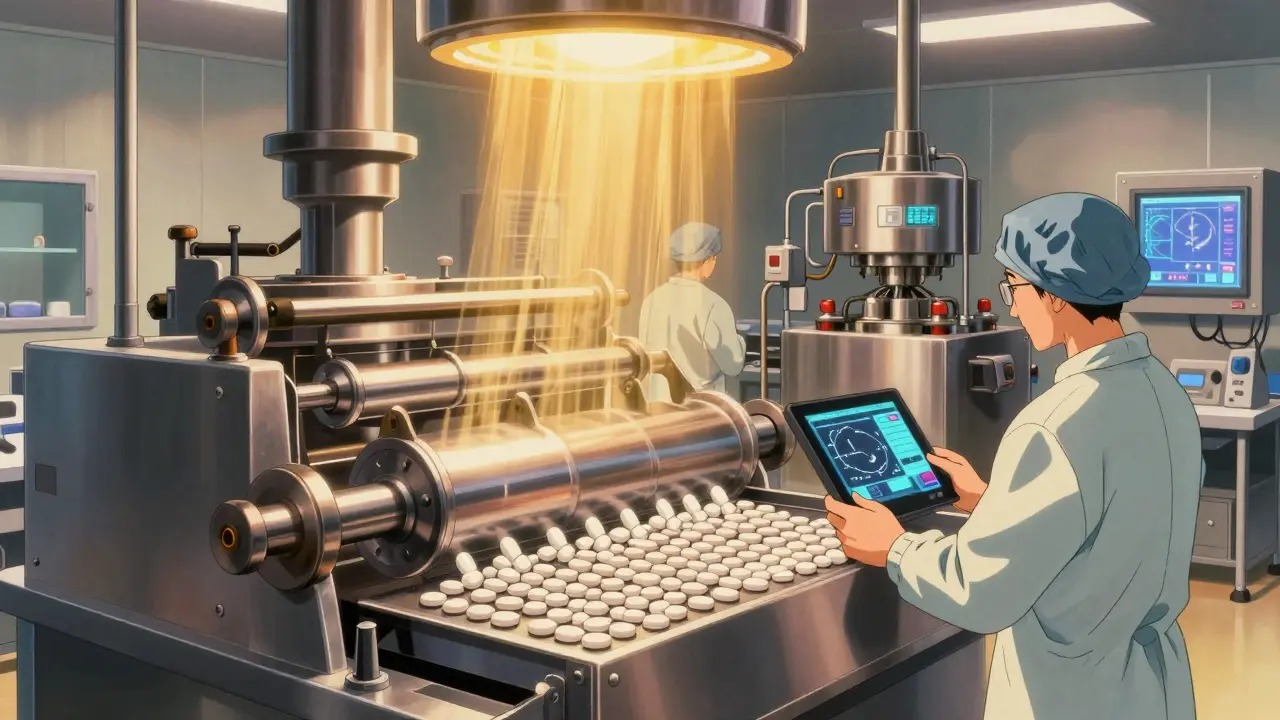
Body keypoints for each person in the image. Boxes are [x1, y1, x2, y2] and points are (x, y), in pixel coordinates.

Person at [824, 193, 1201, 720]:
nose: (1009, 305)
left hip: (1071, 693)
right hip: (1149, 687)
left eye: (1014, 287)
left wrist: (894, 547)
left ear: (1055, 295)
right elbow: (1110, 527)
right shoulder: (1160, 390)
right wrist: (994, 502)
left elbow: (980, 592)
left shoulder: (1057, 422)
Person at [639, 222, 746, 402]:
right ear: (707, 260)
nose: (715, 262)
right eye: (714, 258)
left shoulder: (652, 299)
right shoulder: (713, 304)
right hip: (699, 409)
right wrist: (741, 341)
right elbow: (733, 365)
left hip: (656, 406)